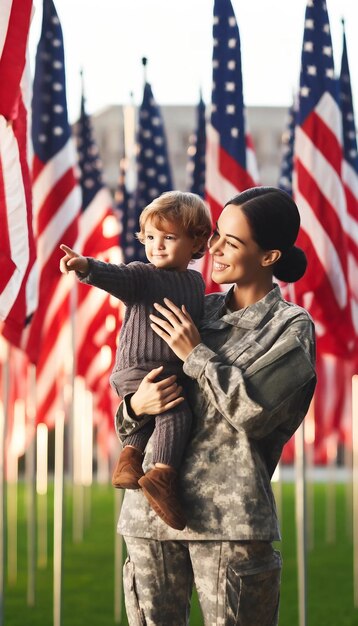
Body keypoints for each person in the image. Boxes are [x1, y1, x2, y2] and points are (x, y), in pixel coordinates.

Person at [115, 186, 317, 626]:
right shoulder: (190, 306)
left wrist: (196, 355)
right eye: (217, 235)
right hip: (149, 518)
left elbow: (257, 415)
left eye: (232, 241)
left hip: (230, 523)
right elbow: (130, 386)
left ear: (268, 257)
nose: (214, 248)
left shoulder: (291, 328)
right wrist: (136, 406)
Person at [59, 190, 212, 531]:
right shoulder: (144, 275)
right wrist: (86, 266)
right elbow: (118, 277)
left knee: (154, 415)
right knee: (175, 412)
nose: (157, 245)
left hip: (171, 367)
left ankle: (129, 461)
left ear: (197, 242)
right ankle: (161, 474)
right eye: (151, 237)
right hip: (140, 367)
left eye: (169, 237)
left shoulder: (196, 281)